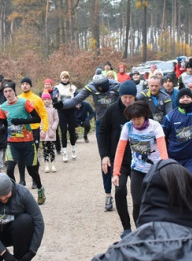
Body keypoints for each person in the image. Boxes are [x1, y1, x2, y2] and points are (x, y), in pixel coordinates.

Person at [63, 73, 122, 211]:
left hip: (116, 123)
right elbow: (76, 99)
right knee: (105, 159)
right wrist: (61, 105)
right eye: (98, 88)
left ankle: (121, 191)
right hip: (101, 125)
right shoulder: (91, 87)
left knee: (119, 157)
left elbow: (128, 100)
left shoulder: (116, 86)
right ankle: (108, 195)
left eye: (103, 87)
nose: (100, 90)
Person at [111, 99, 169, 233]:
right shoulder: (127, 127)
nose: (136, 122)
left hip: (155, 169)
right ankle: (140, 232)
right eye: (133, 119)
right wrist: (116, 172)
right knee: (137, 202)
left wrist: (166, 168)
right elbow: (120, 150)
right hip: (137, 169)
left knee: (156, 202)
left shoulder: (155, 126)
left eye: (139, 118)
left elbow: (162, 148)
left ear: (145, 116)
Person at [98, 81, 140, 235]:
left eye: (130, 97)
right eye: (125, 97)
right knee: (120, 191)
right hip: (119, 159)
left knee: (138, 198)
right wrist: (104, 156)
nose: (127, 100)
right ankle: (127, 228)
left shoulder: (141, 109)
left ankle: (139, 228)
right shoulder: (112, 111)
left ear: (135, 97)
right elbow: (102, 133)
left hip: (138, 160)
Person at [0, 81, 45, 204]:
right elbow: (2, 122)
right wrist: (2, 128)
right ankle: (14, 195)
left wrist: (22, 122)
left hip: (27, 141)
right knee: (10, 169)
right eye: (5, 92)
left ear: (14, 91)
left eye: (10, 91)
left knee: (32, 170)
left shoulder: (24, 103)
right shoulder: (3, 107)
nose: (8, 94)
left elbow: (37, 118)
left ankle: (40, 189)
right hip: (12, 142)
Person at [56, 71, 80, 162]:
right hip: (61, 111)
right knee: (63, 131)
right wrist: (55, 97)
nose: (64, 79)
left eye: (66, 78)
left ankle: (73, 149)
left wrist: (78, 103)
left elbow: (78, 96)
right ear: (61, 78)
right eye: (63, 78)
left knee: (72, 130)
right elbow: (54, 96)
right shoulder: (57, 87)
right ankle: (64, 151)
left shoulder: (73, 87)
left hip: (71, 110)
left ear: (68, 78)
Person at [41, 92, 59, 173]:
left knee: (51, 148)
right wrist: (41, 128)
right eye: (45, 99)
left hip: (51, 131)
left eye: (48, 99)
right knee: (45, 149)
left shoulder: (54, 109)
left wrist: (54, 127)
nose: (46, 101)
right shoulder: (40, 109)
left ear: (50, 100)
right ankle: (46, 164)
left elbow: (56, 119)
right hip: (43, 132)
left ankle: (53, 164)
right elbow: (38, 120)